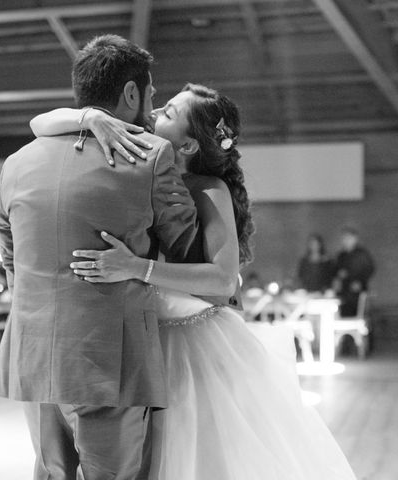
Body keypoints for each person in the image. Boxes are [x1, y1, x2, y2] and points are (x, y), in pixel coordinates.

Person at [32, 84, 357, 478]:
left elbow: (223, 280)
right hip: (140, 337)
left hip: (190, 344)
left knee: (194, 456)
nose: (153, 114)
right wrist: (89, 116)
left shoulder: (208, 189)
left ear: (187, 147)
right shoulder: (135, 163)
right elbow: (39, 124)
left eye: (168, 113)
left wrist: (136, 267)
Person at [0, 34, 201, 479]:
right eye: (152, 95)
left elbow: (6, 240)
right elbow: (186, 247)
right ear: (130, 93)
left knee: (52, 472)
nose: (154, 105)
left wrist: (25, 284)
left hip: (36, 354)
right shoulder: (150, 156)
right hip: (111, 358)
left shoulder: (17, 162)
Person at [333, 227, 375, 317]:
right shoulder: (341, 256)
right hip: (344, 293)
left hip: (357, 293)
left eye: (348, 238)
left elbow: (369, 269)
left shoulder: (362, 254)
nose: (345, 241)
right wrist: (339, 276)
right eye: (344, 238)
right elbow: (336, 271)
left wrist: (360, 281)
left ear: (355, 239)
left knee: (359, 316)